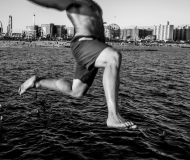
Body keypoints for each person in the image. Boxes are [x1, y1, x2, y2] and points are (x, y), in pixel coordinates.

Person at [19, 0, 137, 129]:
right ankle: (113, 116)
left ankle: (37, 82)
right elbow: (52, 2)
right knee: (113, 57)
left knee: (77, 91)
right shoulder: (77, 2)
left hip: (95, 50)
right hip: (83, 45)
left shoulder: (94, 6)